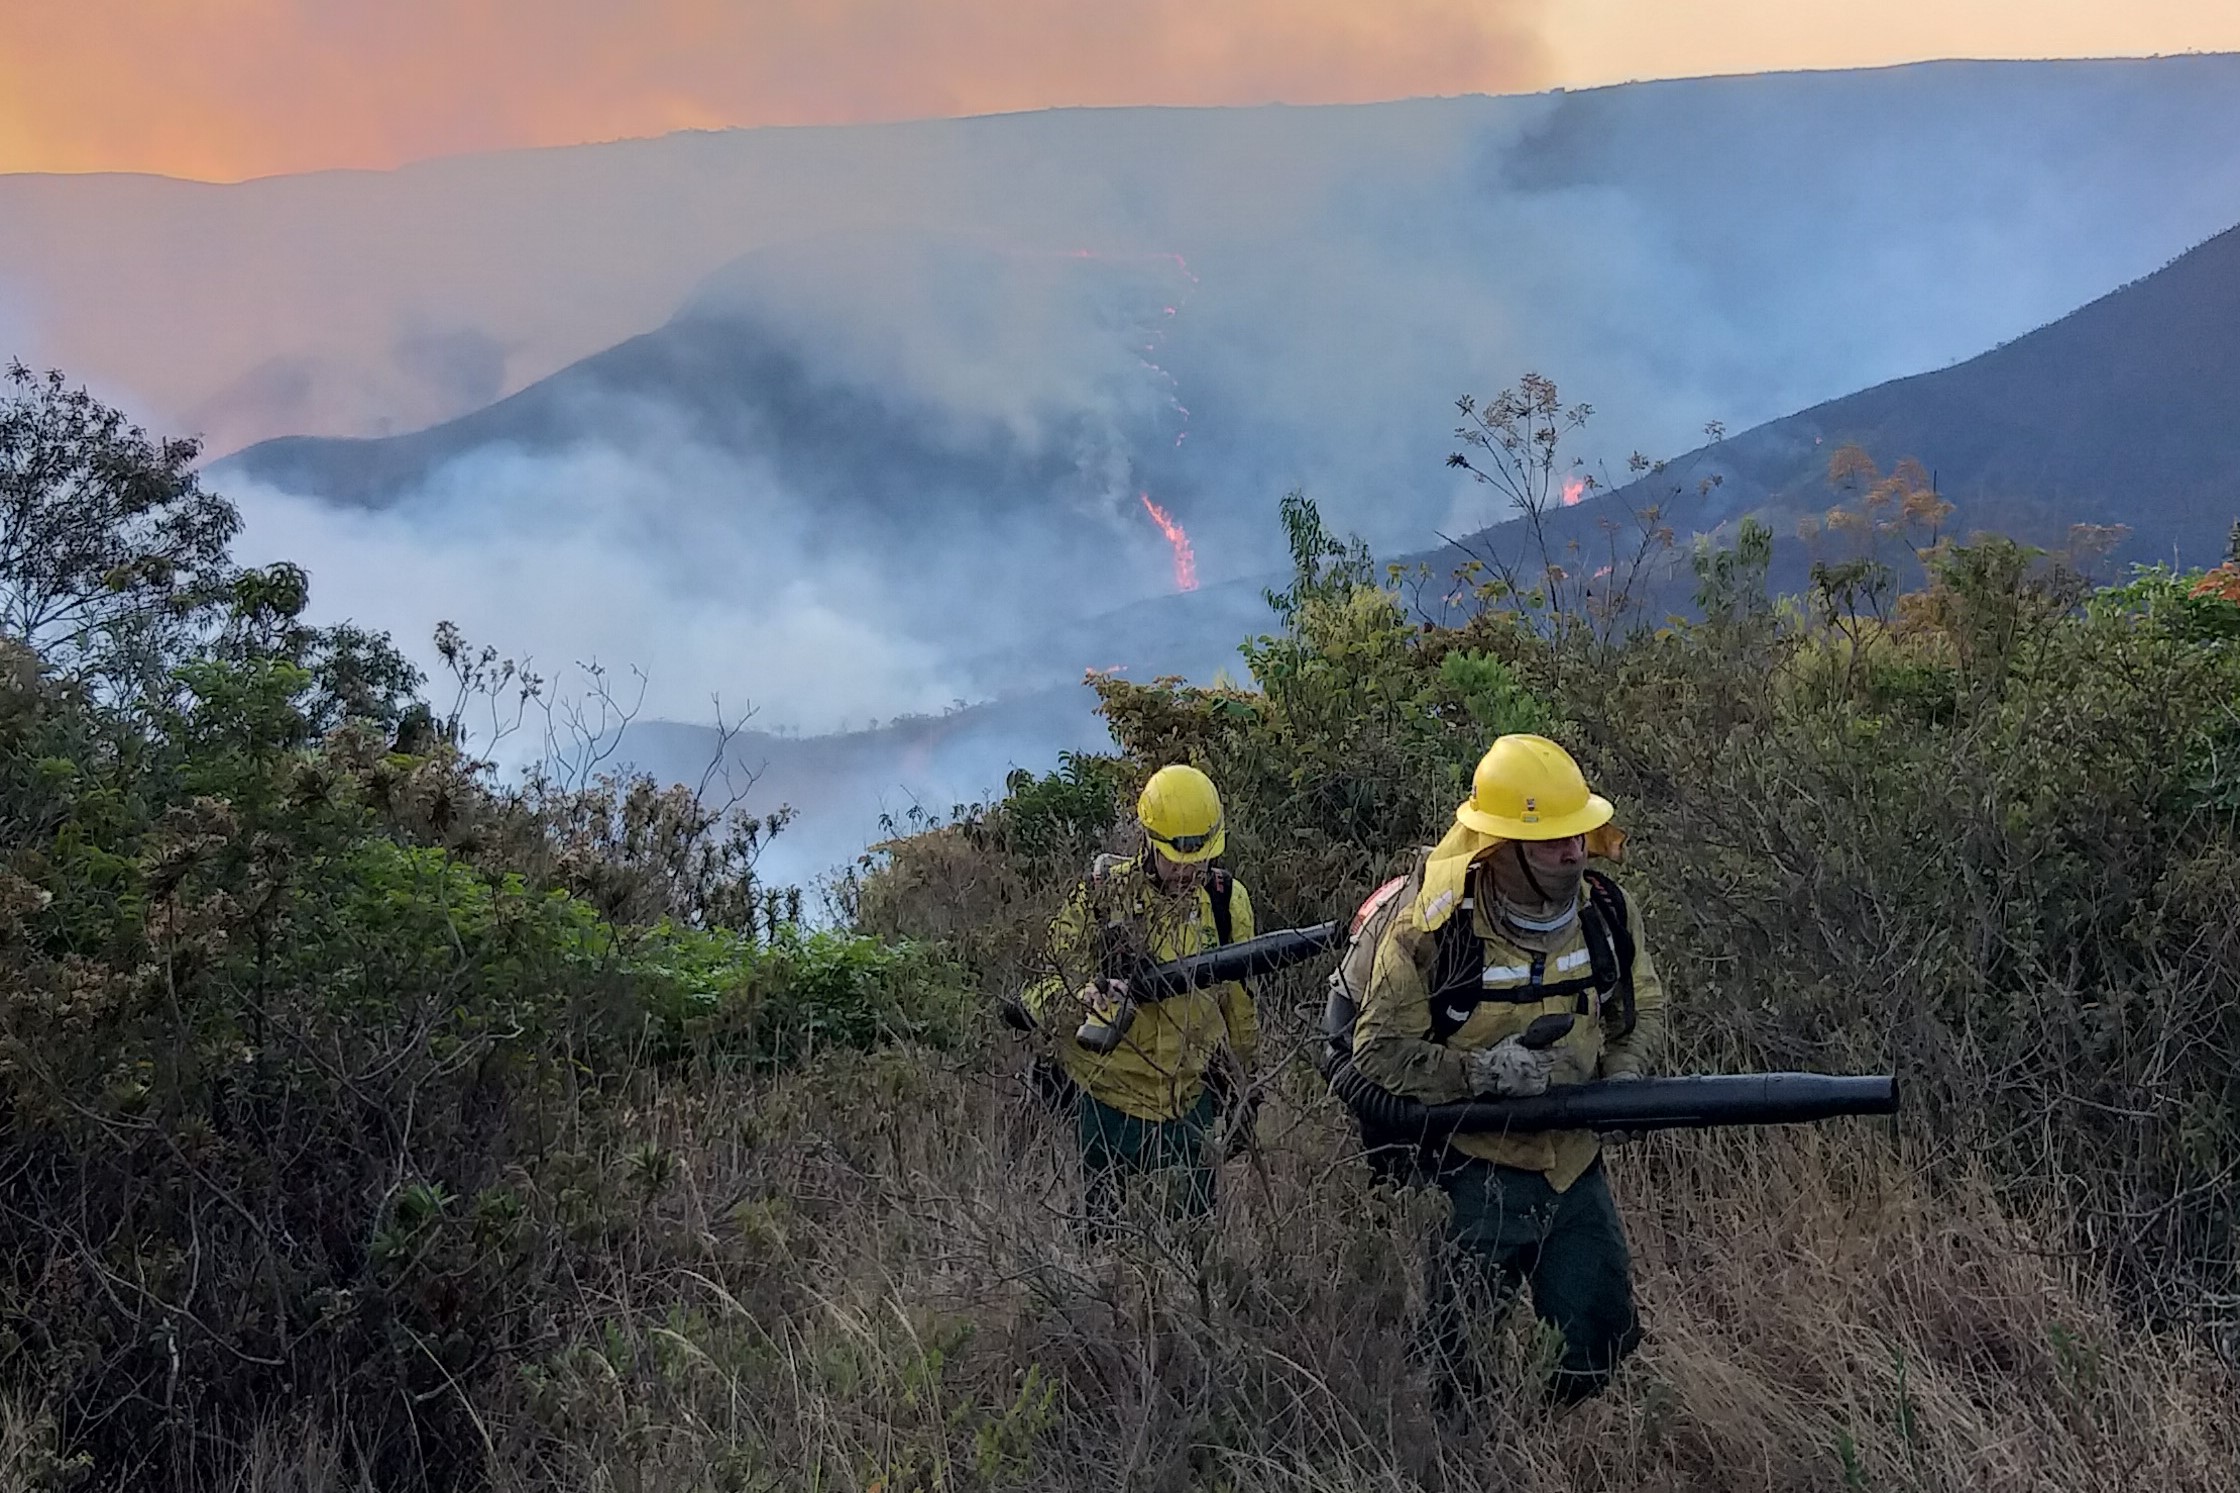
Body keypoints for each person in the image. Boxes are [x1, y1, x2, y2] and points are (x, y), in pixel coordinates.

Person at [1350, 733, 1665, 1405]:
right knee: (1453, 1361)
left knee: (1599, 1336)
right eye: (1553, 840)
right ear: (1502, 848)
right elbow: (1375, 1049)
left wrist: (1623, 1079)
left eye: (1578, 834)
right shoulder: (1432, 931)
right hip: (1473, 1171)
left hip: (1572, 1165)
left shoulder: (1606, 914)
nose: (1573, 850)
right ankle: (1463, 1458)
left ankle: (1547, 1442)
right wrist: (1480, 1075)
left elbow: (1642, 1012)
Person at [1022, 764, 1258, 1228]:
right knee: (1104, 1234)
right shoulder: (1100, 900)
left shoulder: (1227, 902)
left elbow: (1239, 1000)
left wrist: (1246, 1081)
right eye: (1177, 856)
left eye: (1201, 856)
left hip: (1188, 1100)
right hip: (1108, 1104)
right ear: (1149, 839)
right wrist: (1082, 997)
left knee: (1197, 1237)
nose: (1189, 868)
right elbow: (1040, 990)